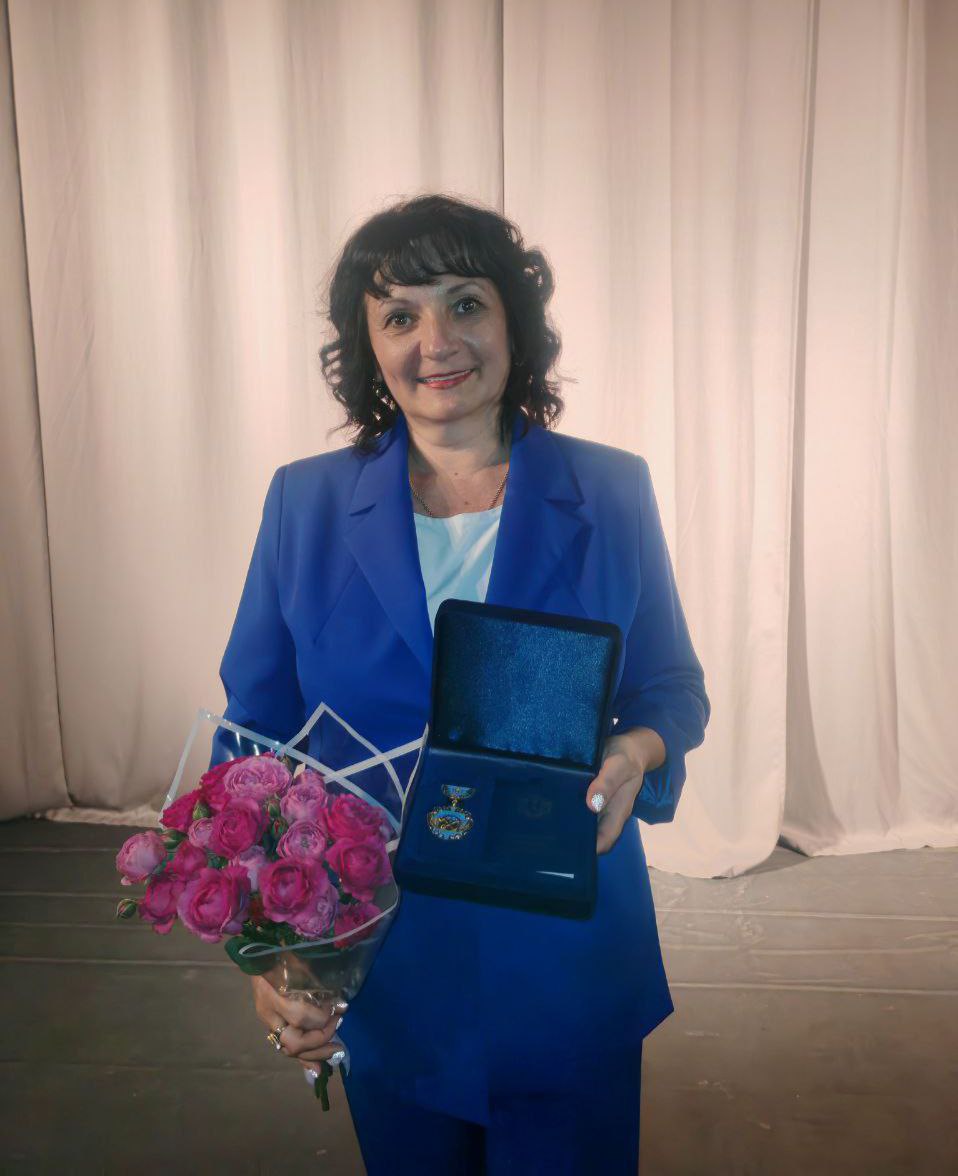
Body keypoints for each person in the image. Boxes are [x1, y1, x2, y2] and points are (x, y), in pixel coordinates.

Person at [210, 193, 710, 1173]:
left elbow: (671, 687)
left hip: (568, 956)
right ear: (368, 348)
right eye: (399, 316)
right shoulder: (305, 504)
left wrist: (635, 750)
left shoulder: (612, 490)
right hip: (385, 962)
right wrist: (272, 953)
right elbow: (254, 742)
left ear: (515, 323)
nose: (435, 342)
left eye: (465, 304)